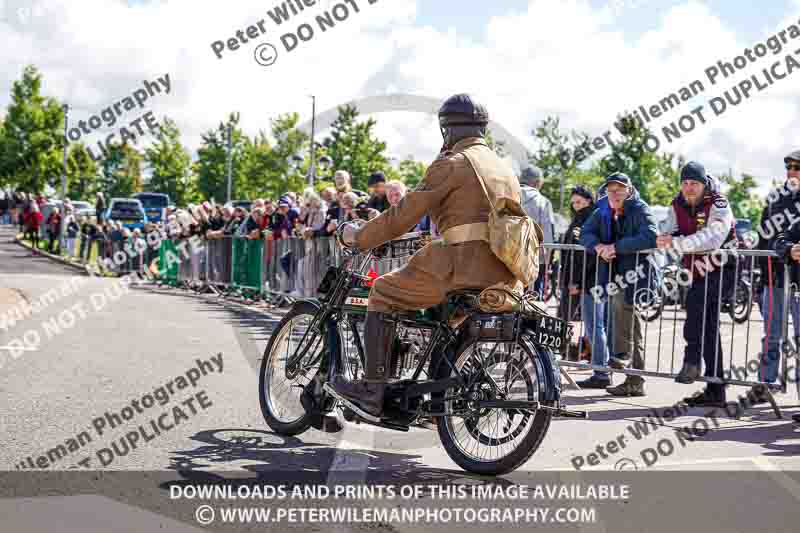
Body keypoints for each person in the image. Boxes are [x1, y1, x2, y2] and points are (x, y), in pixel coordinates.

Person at [330, 93, 527, 417]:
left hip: (461, 266)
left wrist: (359, 236)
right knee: (442, 323)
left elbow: (403, 214)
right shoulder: (503, 169)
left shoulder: (452, 164)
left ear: (446, 129)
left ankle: (372, 389)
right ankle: (437, 401)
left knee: (382, 292)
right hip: (503, 272)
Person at [658, 161, 736, 408]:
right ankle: (716, 389)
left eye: (694, 183)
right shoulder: (676, 204)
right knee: (710, 327)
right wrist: (662, 238)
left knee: (695, 304)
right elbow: (664, 231)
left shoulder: (718, 203)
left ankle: (692, 361)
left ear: (704, 184)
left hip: (724, 266)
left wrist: (677, 242)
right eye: (685, 183)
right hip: (697, 269)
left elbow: (713, 237)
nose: (689, 188)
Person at [581, 173, 657, 396]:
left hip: (636, 276)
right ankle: (632, 378)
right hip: (615, 277)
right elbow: (585, 233)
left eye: (619, 189)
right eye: (610, 189)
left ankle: (628, 369)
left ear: (629, 190)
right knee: (627, 326)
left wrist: (616, 247)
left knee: (630, 324)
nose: (614, 193)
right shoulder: (603, 208)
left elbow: (651, 236)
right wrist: (598, 247)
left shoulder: (640, 208)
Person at [751, 149, 800, 403]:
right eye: (789, 167)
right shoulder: (775, 198)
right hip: (775, 276)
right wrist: (760, 278)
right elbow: (764, 238)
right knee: (771, 334)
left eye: (797, 167)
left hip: (798, 280)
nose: (792, 172)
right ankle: (766, 384)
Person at [559, 185, 595, 363]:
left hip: (578, 278)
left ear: (589, 200)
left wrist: (576, 282)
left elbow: (583, 255)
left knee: (566, 318)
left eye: (579, 201)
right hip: (573, 277)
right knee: (568, 318)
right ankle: (570, 352)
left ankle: (570, 353)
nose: (575, 205)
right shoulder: (580, 218)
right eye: (573, 202)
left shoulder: (588, 218)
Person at [519, 165, 555, 298]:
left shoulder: (509, 196)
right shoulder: (543, 202)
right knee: (532, 298)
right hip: (534, 258)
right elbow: (548, 233)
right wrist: (548, 259)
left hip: (508, 255)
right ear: (537, 182)